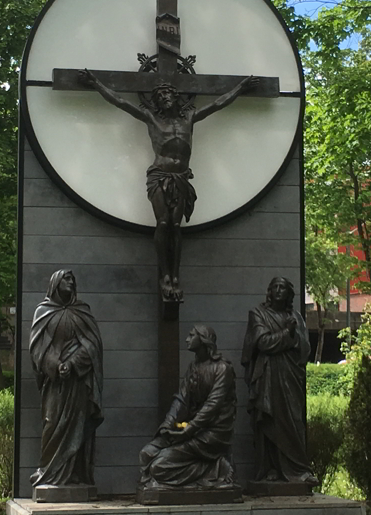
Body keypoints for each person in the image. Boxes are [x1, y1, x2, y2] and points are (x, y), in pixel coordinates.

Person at [79, 69, 258, 301]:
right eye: (160, 98)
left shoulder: (189, 118)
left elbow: (218, 104)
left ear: (176, 97)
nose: (164, 100)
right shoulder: (152, 119)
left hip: (181, 177)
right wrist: (95, 83)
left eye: (167, 96)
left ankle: (174, 275)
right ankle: (164, 273)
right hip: (159, 175)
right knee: (163, 222)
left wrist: (240, 88)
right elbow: (120, 102)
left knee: (176, 224)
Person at [139, 325, 237, 489]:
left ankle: (219, 467)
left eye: (192, 336)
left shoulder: (222, 368)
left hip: (212, 433)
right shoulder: (194, 367)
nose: (187, 339)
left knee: (158, 467)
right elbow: (181, 400)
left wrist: (190, 429)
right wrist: (168, 424)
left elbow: (213, 405)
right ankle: (213, 468)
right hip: (192, 430)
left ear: (203, 339)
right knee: (146, 454)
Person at [29, 270, 103, 488]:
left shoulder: (82, 312)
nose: (71, 282)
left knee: (78, 426)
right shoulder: (43, 312)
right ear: (55, 283)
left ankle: (76, 476)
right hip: (56, 384)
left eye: (72, 279)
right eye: (66, 279)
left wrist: (72, 364)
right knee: (52, 423)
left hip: (79, 382)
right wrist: (56, 365)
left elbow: (93, 345)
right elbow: (38, 347)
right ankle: (49, 474)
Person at [241, 277, 318, 485]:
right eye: (274, 287)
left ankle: (299, 469)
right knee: (270, 419)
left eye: (282, 287)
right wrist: (287, 334)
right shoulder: (258, 314)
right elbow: (262, 343)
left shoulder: (297, 317)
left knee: (293, 421)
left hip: (291, 376)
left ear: (289, 294)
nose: (277, 290)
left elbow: (305, 348)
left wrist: (293, 336)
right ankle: (270, 469)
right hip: (268, 376)